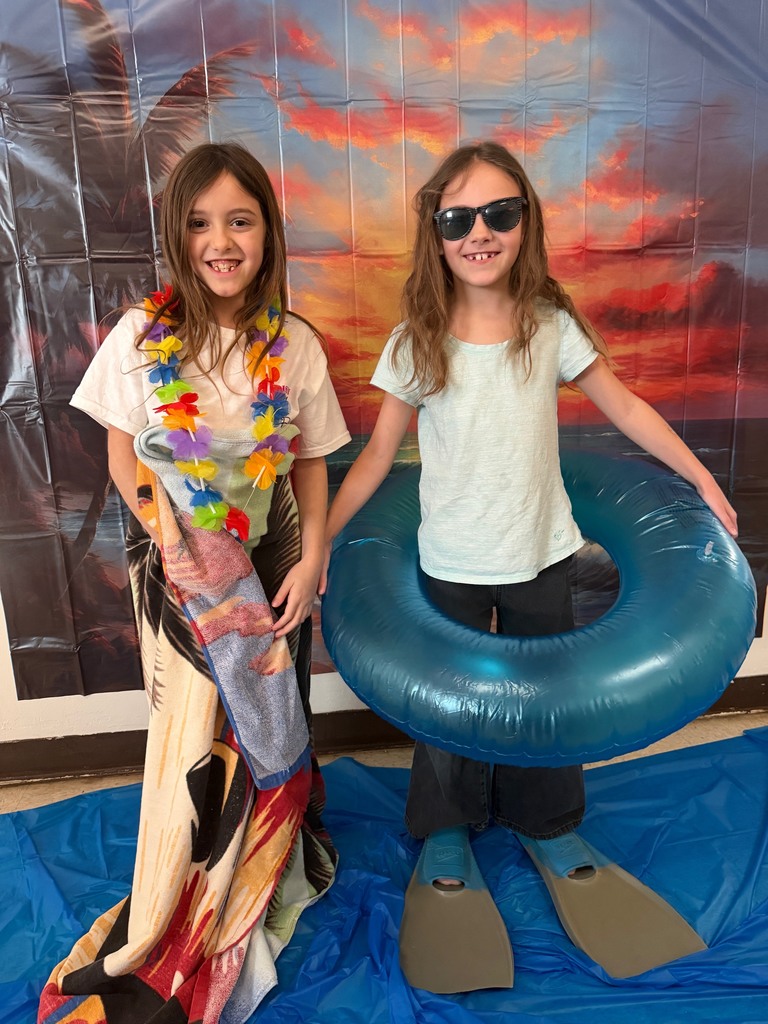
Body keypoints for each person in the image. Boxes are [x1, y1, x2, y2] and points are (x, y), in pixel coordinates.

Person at [320, 139, 737, 877]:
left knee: (547, 698)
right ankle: (447, 825)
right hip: (448, 555)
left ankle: (546, 819)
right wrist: (319, 541)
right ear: (437, 234)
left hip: (541, 550)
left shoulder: (550, 325)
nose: (479, 233)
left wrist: (701, 478)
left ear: (524, 223)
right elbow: (378, 455)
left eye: (498, 214)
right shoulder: (417, 340)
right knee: (448, 705)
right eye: (459, 220)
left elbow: (626, 407)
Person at [39, 143, 350, 1024]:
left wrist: (313, 555)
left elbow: (315, 463)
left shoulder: (294, 344)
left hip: (275, 551)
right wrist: (173, 539)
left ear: (266, 233)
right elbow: (119, 450)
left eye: (241, 220)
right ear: (179, 234)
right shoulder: (142, 336)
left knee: (272, 709)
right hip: (174, 553)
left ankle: (266, 862)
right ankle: (193, 879)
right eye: (202, 222)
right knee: (198, 731)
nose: (222, 241)